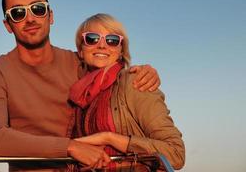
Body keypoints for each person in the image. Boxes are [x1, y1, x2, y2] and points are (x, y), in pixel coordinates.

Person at [0, 0, 161, 171]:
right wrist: (69, 147)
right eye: (18, 13)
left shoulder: (80, 64)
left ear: (50, 15)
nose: (30, 19)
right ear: (8, 25)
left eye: (38, 9)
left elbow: (116, 77)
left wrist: (145, 71)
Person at [69, 13, 185, 171]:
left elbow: (176, 153)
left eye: (112, 40)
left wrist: (109, 138)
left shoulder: (135, 82)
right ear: (81, 50)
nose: (102, 45)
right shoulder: (78, 94)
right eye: (92, 38)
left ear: (121, 51)